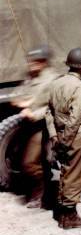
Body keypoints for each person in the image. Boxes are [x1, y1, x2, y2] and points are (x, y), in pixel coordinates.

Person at [45, 48, 81, 229]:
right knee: (75, 174)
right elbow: (75, 119)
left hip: (59, 134)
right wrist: (66, 141)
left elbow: (48, 112)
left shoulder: (56, 83)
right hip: (75, 137)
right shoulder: (79, 87)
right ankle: (70, 216)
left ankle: (63, 215)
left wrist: (54, 136)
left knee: (66, 172)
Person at [12, 46, 59, 208]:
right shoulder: (32, 76)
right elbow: (21, 92)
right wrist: (22, 101)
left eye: (35, 62)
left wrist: (34, 112)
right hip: (29, 124)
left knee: (29, 163)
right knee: (35, 160)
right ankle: (44, 186)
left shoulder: (52, 79)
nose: (31, 65)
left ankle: (39, 194)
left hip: (42, 125)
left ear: (43, 62)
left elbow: (53, 106)